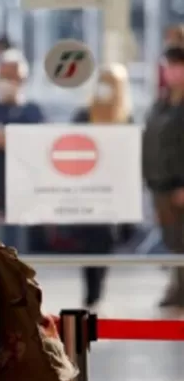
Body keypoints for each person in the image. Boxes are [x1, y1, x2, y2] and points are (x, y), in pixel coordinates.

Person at [70, 65, 134, 312]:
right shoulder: (84, 114)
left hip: (111, 194)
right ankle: (90, 295)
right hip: (85, 191)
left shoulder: (125, 118)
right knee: (87, 244)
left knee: (104, 243)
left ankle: (96, 295)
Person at [0, 48, 44, 251]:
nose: (10, 82)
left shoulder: (32, 110)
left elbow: (41, 143)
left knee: (17, 252)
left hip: (23, 195)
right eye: (5, 76)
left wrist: (11, 139)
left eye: (15, 77)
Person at [143, 45, 184, 308]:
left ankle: (180, 291)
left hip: (179, 186)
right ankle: (178, 287)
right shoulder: (162, 102)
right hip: (159, 185)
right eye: (167, 66)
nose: (170, 72)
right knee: (172, 240)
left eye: (176, 66)